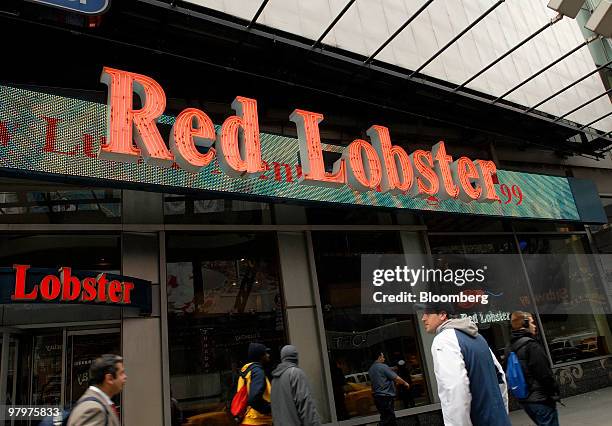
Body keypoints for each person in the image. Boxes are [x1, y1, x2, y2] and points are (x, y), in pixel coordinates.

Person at [420, 302, 510, 426]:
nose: (423, 318)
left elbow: (455, 389)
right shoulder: (478, 338)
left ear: (442, 315)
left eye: (428, 314)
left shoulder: (444, 340)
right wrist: (502, 414)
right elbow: (500, 377)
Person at [505, 311, 560, 426]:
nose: (534, 326)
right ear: (524, 324)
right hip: (540, 398)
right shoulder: (531, 345)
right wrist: (554, 391)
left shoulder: (509, 348)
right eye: (531, 323)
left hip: (526, 400)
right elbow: (544, 374)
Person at [67, 354, 126, 426]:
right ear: (109, 379)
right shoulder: (94, 410)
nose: (125, 377)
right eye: (121, 373)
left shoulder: (99, 404)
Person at [271, 345, 321, 425]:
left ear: (282, 358)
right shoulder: (296, 373)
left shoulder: (274, 379)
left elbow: (275, 409)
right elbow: (306, 404)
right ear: (296, 357)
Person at [367, 350, 411, 426]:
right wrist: (405, 383)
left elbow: (380, 378)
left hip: (377, 397)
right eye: (383, 356)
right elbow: (396, 378)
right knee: (388, 418)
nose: (384, 358)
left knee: (387, 418)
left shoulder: (371, 369)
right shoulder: (383, 366)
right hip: (385, 396)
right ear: (379, 357)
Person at [239, 342, 273, 426]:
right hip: (258, 420)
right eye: (266, 353)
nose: (268, 355)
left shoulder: (246, 371)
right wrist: (270, 408)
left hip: (247, 419)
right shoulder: (258, 372)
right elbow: (254, 399)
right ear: (260, 356)